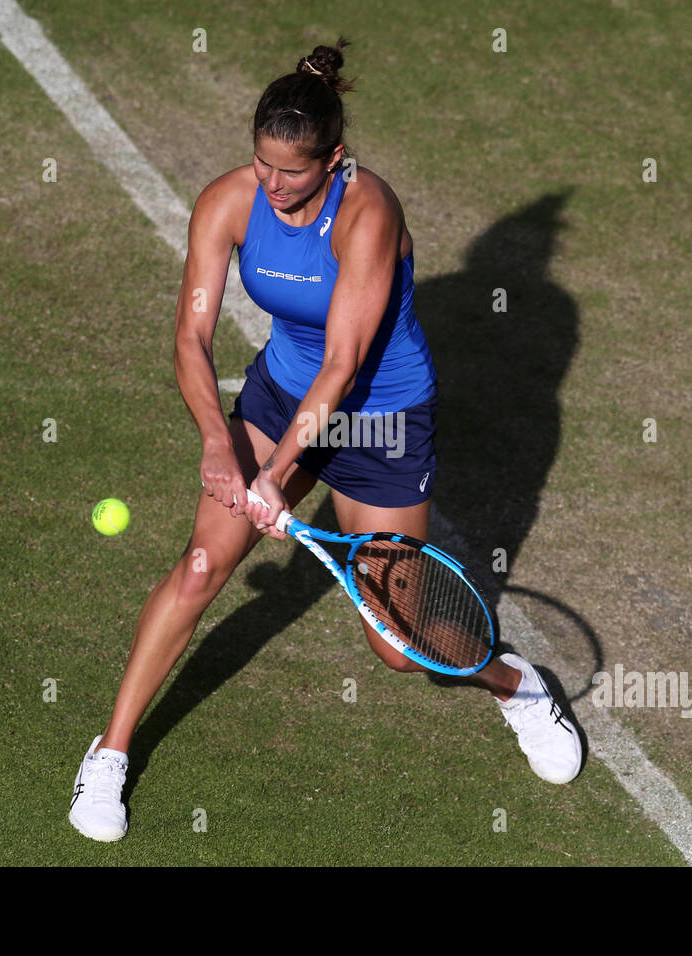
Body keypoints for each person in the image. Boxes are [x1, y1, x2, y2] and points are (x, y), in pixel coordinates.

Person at [69, 38, 580, 842]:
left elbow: (342, 368)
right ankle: (110, 753)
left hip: (379, 419)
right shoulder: (228, 202)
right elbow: (190, 338)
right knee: (203, 563)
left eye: (292, 172)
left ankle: (514, 682)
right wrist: (217, 440)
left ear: (334, 159)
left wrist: (273, 475)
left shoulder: (368, 213)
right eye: (262, 164)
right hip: (279, 393)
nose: (272, 185)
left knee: (402, 645)